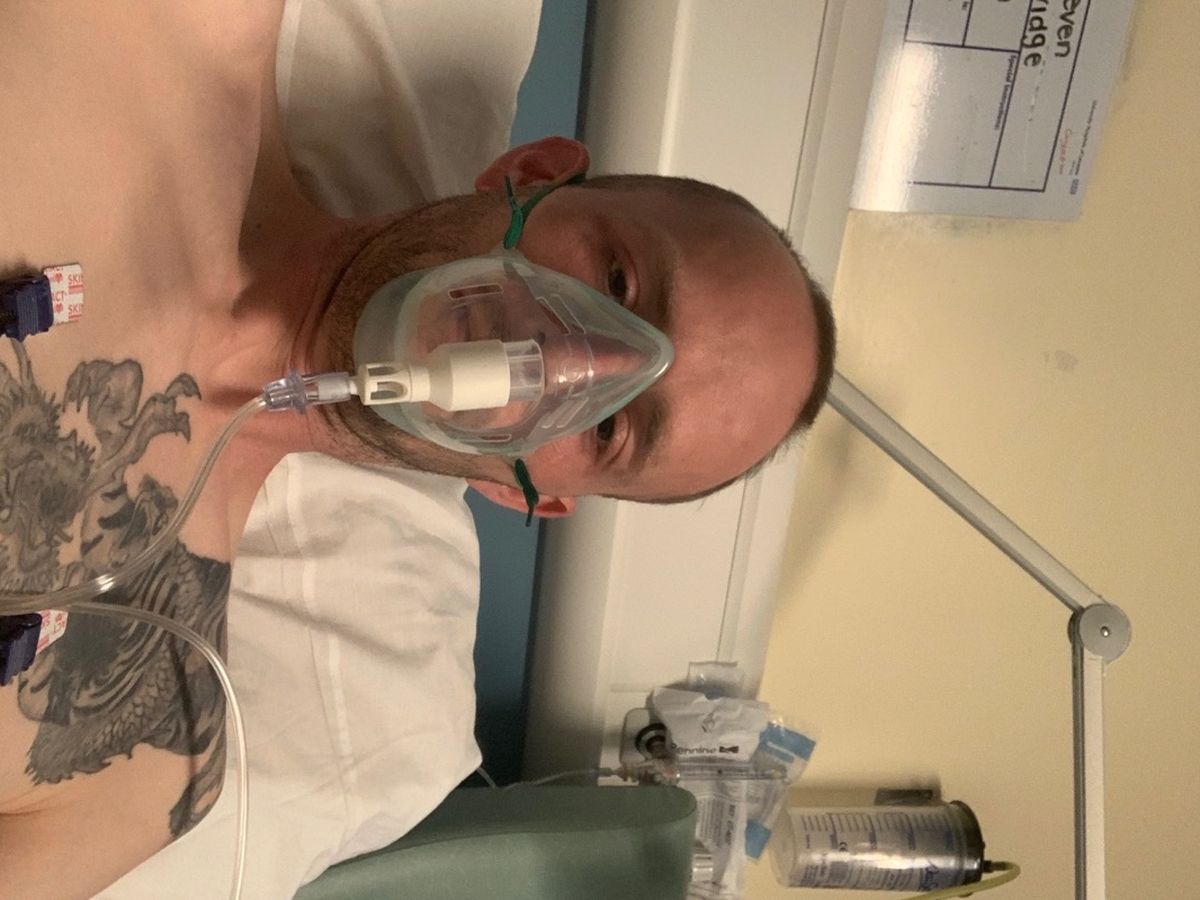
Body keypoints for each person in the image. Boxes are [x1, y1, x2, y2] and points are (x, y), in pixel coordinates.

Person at [0, 2, 834, 897]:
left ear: (526, 494)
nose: (560, 358)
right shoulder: (173, 27)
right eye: (618, 279)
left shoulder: (146, 754)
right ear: (530, 173)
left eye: (610, 428)